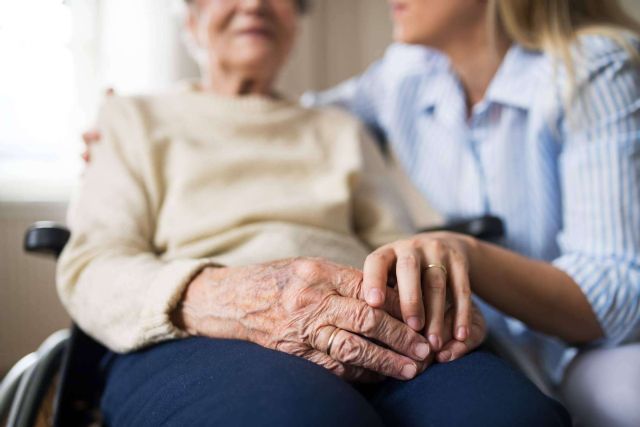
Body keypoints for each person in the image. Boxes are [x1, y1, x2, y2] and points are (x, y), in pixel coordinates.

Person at [61, 0, 570, 426]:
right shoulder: (132, 118)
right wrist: (234, 300)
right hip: (201, 333)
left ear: (294, 23)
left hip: (368, 324)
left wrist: (433, 300)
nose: (256, 3)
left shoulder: (338, 127)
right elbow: (92, 267)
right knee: (298, 414)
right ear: (191, 21)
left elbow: (393, 243)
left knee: (510, 413)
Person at [301, 1, 640, 426]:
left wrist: (467, 254)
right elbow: (301, 119)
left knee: (622, 399)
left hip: (600, 347)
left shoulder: (593, 68)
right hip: (496, 342)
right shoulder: (407, 74)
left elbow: (619, 296)